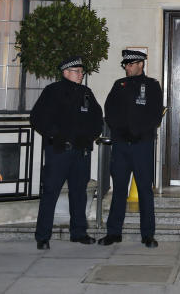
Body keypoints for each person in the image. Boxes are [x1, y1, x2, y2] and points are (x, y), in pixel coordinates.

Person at [30, 55, 103, 250]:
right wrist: (55, 136)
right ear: (65, 72)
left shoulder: (87, 93)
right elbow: (37, 117)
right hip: (59, 151)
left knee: (79, 193)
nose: (80, 75)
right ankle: (43, 236)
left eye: (81, 72)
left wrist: (89, 138)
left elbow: (97, 119)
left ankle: (78, 232)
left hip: (80, 152)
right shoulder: (52, 91)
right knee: (51, 192)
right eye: (76, 71)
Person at [98, 49, 164, 248]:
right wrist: (122, 131)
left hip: (142, 145)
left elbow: (155, 115)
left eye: (130, 64)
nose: (127, 67)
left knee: (145, 189)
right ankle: (113, 232)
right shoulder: (119, 85)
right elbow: (109, 111)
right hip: (121, 145)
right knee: (119, 189)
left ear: (140, 64)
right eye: (125, 64)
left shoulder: (152, 86)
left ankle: (148, 234)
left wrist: (138, 132)